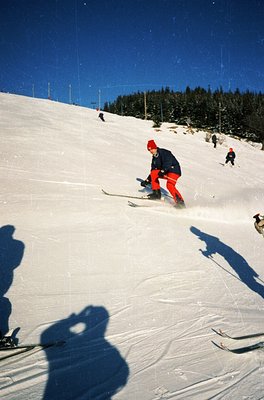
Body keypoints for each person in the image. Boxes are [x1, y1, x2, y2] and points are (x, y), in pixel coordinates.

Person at [141, 139, 185, 208]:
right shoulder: (154, 159)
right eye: (149, 150)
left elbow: (168, 162)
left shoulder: (164, 152)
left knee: (169, 185)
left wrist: (163, 171)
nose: (151, 151)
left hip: (174, 170)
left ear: (155, 147)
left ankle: (180, 203)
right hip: (165, 171)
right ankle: (156, 194)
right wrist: (147, 180)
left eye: (151, 149)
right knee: (154, 172)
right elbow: (153, 170)